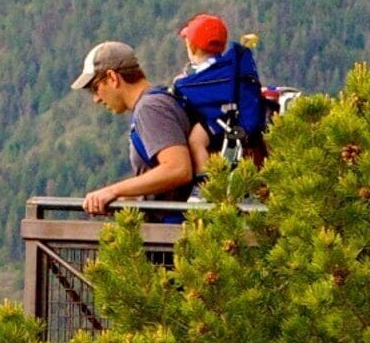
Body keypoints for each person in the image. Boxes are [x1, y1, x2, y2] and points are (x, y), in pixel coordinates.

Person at [73, 40, 200, 211]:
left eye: (95, 88)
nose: (96, 99)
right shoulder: (158, 101)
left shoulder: (150, 108)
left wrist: (113, 191)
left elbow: (178, 169)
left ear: (112, 78)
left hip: (172, 231)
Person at [168, 13, 275, 166]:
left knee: (195, 142)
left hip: (221, 122)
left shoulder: (195, 81)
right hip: (238, 117)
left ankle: (205, 181)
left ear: (191, 46)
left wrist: (179, 84)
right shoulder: (230, 68)